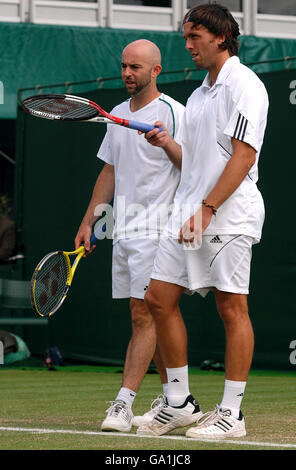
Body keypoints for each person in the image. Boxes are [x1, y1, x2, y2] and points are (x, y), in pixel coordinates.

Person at [137, 3, 269, 438]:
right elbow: (191, 161)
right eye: (186, 38)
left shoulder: (245, 84)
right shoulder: (197, 95)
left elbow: (244, 154)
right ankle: (178, 403)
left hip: (226, 214)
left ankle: (232, 415)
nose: (188, 45)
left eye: (195, 37)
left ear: (220, 37)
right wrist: (167, 143)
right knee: (158, 298)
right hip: (190, 213)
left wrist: (208, 207)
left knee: (231, 307)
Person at [74, 39, 185, 432]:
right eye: (123, 65)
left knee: (144, 315)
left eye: (135, 67)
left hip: (159, 230)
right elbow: (110, 172)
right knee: (147, 317)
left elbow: (195, 165)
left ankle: (122, 405)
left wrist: (167, 142)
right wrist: (91, 220)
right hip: (124, 231)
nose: (126, 73)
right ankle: (177, 401)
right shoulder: (117, 114)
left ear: (156, 71)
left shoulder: (173, 111)